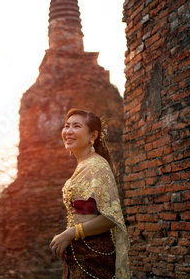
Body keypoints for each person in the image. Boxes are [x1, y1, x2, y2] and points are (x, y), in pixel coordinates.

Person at [50, 108, 130, 279]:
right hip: (78, 255)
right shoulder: (83, 165)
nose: (68, 132)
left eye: (76, 126)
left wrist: (71, 233)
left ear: (93, 136)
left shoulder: (97, 166)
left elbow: (111, 217)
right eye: (67, 126)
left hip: (94, 255)